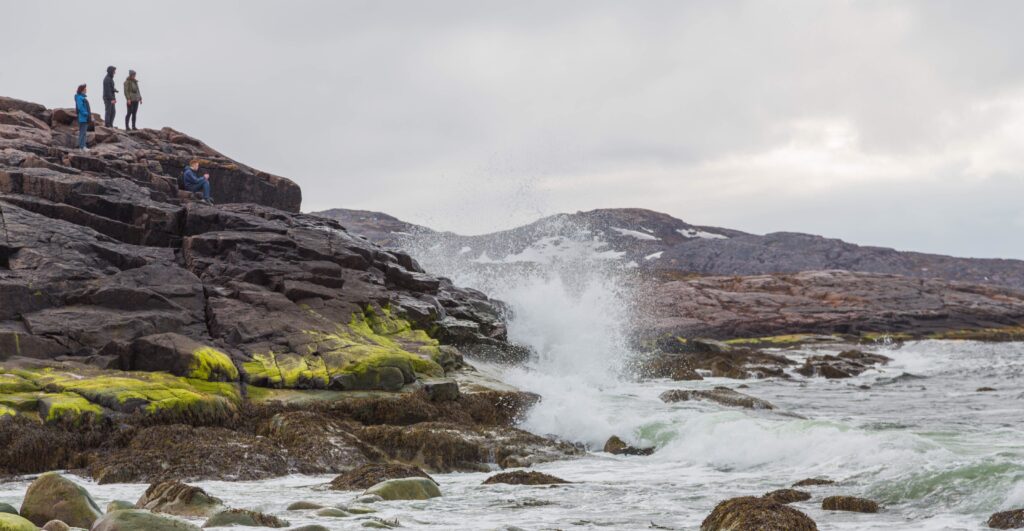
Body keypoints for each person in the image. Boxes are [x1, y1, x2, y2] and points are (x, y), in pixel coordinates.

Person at [74, 84, 91, 151]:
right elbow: (80, 107)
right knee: (82, 132)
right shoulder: (79, 98)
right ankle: (81, 147)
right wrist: (86, 113)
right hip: (82, 118)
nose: (86, 90)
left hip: (85, 118)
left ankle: (83, 146)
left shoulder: (82, 98)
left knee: (84, 132)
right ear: (81, 90)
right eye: (85, 89)